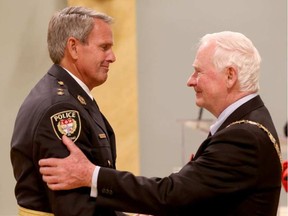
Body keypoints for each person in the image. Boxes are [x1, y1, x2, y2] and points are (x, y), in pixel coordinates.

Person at [39, 31, 282, 216]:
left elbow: (171, 194)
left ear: (230, 76)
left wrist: (91, 175)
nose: (190, 81)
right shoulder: (250, 121)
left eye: (198, 72)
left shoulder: (243, 137)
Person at [10, 6, 125, 216]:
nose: (112, 57)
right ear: (73, 47)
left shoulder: (68, 96)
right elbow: (75, 208)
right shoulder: (61, 109)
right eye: (104, 47)